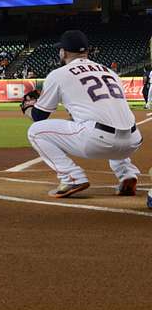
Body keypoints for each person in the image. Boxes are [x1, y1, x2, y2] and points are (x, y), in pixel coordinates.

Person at [21, 30, 142, 198]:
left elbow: (39, 116)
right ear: (86, 51)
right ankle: (127, 174)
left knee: (36, 131)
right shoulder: (110, 72)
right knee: (110, 125)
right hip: (133, 141)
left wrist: (27, 107)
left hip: (98, 141)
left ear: (63, 52)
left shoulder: (58, 74)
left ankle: (72, 177)